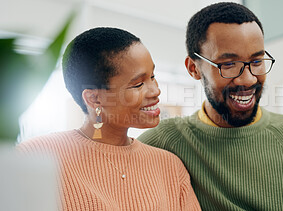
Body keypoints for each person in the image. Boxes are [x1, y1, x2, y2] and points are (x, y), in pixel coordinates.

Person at [138, 2, 283, 211]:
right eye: (229, 65)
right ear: (194, 68)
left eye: (257, 61)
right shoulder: (162, 143)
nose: (248, 80)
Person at [17, 27, 201, 210]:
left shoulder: (170, 167)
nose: (155, 90)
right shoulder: (34, 158)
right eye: (138, 84)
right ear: (94, 98)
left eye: (152, 76)